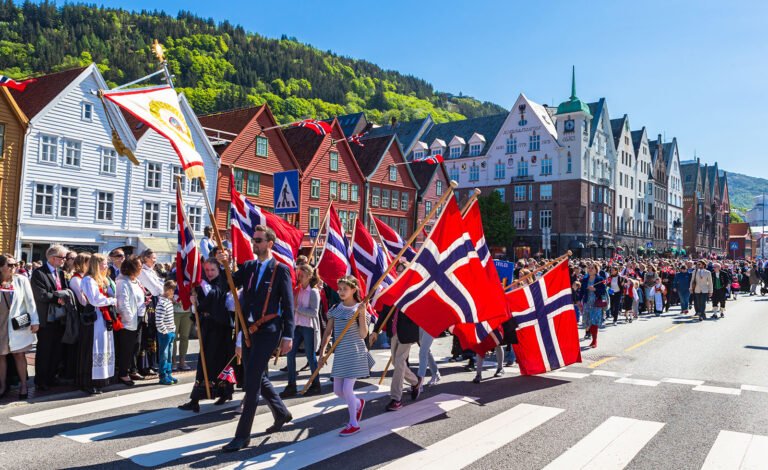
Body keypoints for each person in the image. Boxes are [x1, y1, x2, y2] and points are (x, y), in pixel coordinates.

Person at [216, 225, 294, 452]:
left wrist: (287, 336)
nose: (254, 243)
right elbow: (226, 285)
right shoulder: (249, 267)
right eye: (254, 240)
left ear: (270, 243)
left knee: (251, 383)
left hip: (269, 330)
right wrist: (223, 266)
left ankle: (242, 436)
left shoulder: (281, 270)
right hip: (248, 329)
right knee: (256, 376)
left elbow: (288, 305)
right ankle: (281, 412)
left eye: (259, 240)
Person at [178, 259, 235, 412]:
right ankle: (196, 399)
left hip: (220, 329)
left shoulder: (222, 282)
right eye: (207, 270)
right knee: (204, 362)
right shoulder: (201, 285)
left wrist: (200, 299)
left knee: (218, 361)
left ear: (218, 270)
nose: (209, 273)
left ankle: (223, 391)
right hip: (207, 327)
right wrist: (194, 302)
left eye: (212, 270)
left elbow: (216, 296)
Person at [319, 276, 371, 435]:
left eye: (345, 289)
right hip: (341, 352)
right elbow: (328, 332)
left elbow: (363, 334)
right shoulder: (335, 308)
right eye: (339, 288)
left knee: (347, 389)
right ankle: (357, 403)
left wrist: (362, 314)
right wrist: (322, 353)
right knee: (338, 391)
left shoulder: (359, 309)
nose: (341, 292)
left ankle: (353, 423)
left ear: (354, 290)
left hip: (355, 352)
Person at [31, 244, 70, 391]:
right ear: (53, 258)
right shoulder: (39, 273)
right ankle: (41, 380)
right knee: (44, 350)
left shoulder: (61, 273)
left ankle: (52, 376)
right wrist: (57, 298)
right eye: (62, 258)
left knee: (56, 350)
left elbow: (65, 289)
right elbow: (40, 294)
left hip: (60, 317)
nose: (64, 260)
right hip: (46, 317)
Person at [0, 254, 39, 400]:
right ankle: (2, 386)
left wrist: (35, 321)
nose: (13, 267)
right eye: (9, 265)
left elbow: (30, 301)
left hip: (17, 323)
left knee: (19, 354)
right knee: (1, 356)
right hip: (0, 324)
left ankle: (23, 385)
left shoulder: (21, 280)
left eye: (15, 264)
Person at [280, 264, 321, 398]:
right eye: (299, 275)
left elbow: (314, 313)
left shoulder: (313, 292)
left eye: (302, 275)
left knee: (310, 355)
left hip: (308, 327)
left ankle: (316, 384)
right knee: (290, 354)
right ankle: (291, 385)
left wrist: (297, 308)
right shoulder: (297, 290)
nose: (300, 277)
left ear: (310, 276)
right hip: (296, 326)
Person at [371, 303, 421, 411]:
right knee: (397, 363)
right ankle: (415, 382)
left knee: (399, 363)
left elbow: (418, 316)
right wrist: (375, 330)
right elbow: (383, 315)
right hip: (393, 333)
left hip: (407, 334)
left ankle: (396, 399)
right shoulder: (391, 297)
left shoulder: (411, 297)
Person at [79, 254, 117, 394]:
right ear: (96, 264)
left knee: (104, 346)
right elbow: (95, 299)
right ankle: (89, 382)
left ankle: (101, 379)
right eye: (104, 264)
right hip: (94, 316)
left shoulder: (103, 280)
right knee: (93, 348)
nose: (106, 266)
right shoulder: (89, 279)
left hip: (104, 315)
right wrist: (112, 301)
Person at [115, 255, 145, 387]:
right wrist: (128, 319)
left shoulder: (135, 281)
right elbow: (123, 303)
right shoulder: (122, 282)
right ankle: (123, 373)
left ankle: (133, 369)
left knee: (135, 346)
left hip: (138, 317)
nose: (141, 268)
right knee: (126, 348)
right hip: (128, 321)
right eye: (139, 266)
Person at [137, 249, 163, 377]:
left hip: (155, 302)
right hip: (148, 303)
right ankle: (144, 365)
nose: (155, 259)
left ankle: (152, 364)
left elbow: (160, 285)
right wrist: (164, 290)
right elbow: (155, 288)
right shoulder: (142, 271)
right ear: (145, 258)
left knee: (152, 334)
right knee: (147, 333)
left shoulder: (152, 271)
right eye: (153, 257)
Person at [156, 280, 178, 385]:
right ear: (169, 290)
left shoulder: (168, 302)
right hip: (165, 333)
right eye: (173, 291)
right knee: (164, 355)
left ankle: (169, 373)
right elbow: (159, 320)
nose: (174, 293)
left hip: (171, 331)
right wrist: (165, 331)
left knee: (169, 354)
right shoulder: (161, 303)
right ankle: (163, 375)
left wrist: (172, 329)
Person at [580, 265, 606, 348]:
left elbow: (603, 291)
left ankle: (594, 341)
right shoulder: (584, 280)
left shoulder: (600, 279)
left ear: (596, 270)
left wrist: (595, 289)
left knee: (594, 321)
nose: (590, 269)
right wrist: (579, 302)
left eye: (592, 268)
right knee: (587, 322)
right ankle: (590, 335)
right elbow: (581, 292)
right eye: (589, 268)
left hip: (596, 303)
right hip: (587, 303)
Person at [173, 293, 193, 371]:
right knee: (173, 338)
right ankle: (173, 362)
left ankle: (182, 362)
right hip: (174, 311)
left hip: (187, 312)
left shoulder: (189, 280)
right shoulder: (172, 280)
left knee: (185, 337)